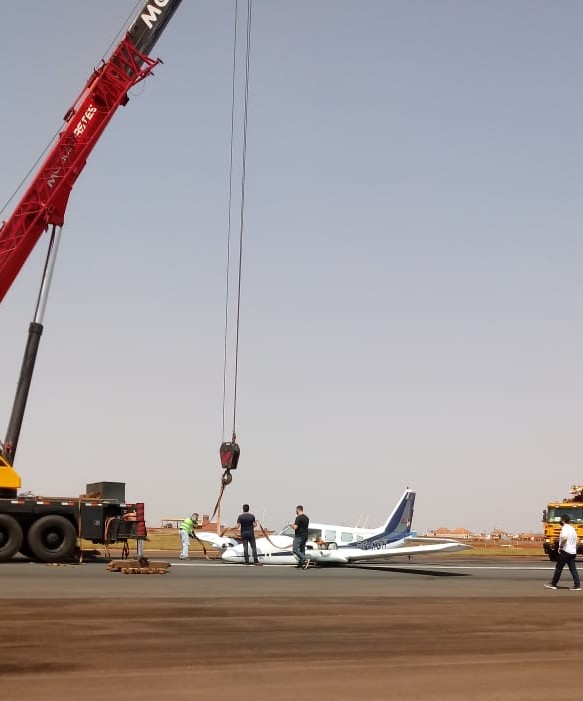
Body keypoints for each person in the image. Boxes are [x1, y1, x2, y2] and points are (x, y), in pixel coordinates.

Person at [545, 514, 581, 590]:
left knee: (558, 568)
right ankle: (577, 585)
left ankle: (553, 584)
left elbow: (564, 538)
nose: (560, 521)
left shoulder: (565, 528)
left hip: (566, 551)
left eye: (561, 520)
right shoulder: (572, 529)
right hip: (572, 552)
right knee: (573, 569)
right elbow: (576, 540)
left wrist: (561, 546)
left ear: (563, 521)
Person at [290, 505, 311, 569]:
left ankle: (305, 559)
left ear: (298, 510)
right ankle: (301, 563)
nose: (295, 511)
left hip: (299, 536)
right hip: (305, 536)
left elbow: (295, 527)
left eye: (296, 510)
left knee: (295, 549)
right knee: (302, 550)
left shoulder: (298, 518)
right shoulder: (307, 518)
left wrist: (291, 525)